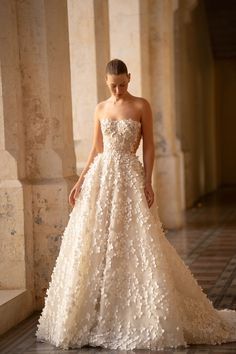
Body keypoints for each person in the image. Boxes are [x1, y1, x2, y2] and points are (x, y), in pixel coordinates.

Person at [35, 59, 236, 351]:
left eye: (123, 84)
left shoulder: (141, 106)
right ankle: (98, 313)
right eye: (113, 85)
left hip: (130, 176)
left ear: (129, 78)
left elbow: (150, 145)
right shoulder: (100, 108)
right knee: (95, 242)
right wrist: (80, 181)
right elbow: (96, 149)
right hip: (101, 180)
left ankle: (134, 311)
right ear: (106, 81)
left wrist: (147, 180)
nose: (118, 90)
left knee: (134, 241)